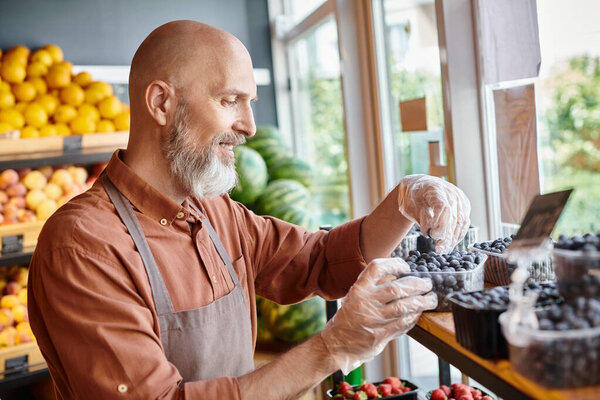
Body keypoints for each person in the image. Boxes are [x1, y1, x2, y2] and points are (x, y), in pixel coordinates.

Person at [28, 20, 471, 400]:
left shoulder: (215, 211)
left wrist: (402, 201)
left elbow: (319, 260)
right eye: (229, 100)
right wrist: (332, 348)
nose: (250, 126)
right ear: (161, 103)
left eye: (250, 103)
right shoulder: (83, 245)